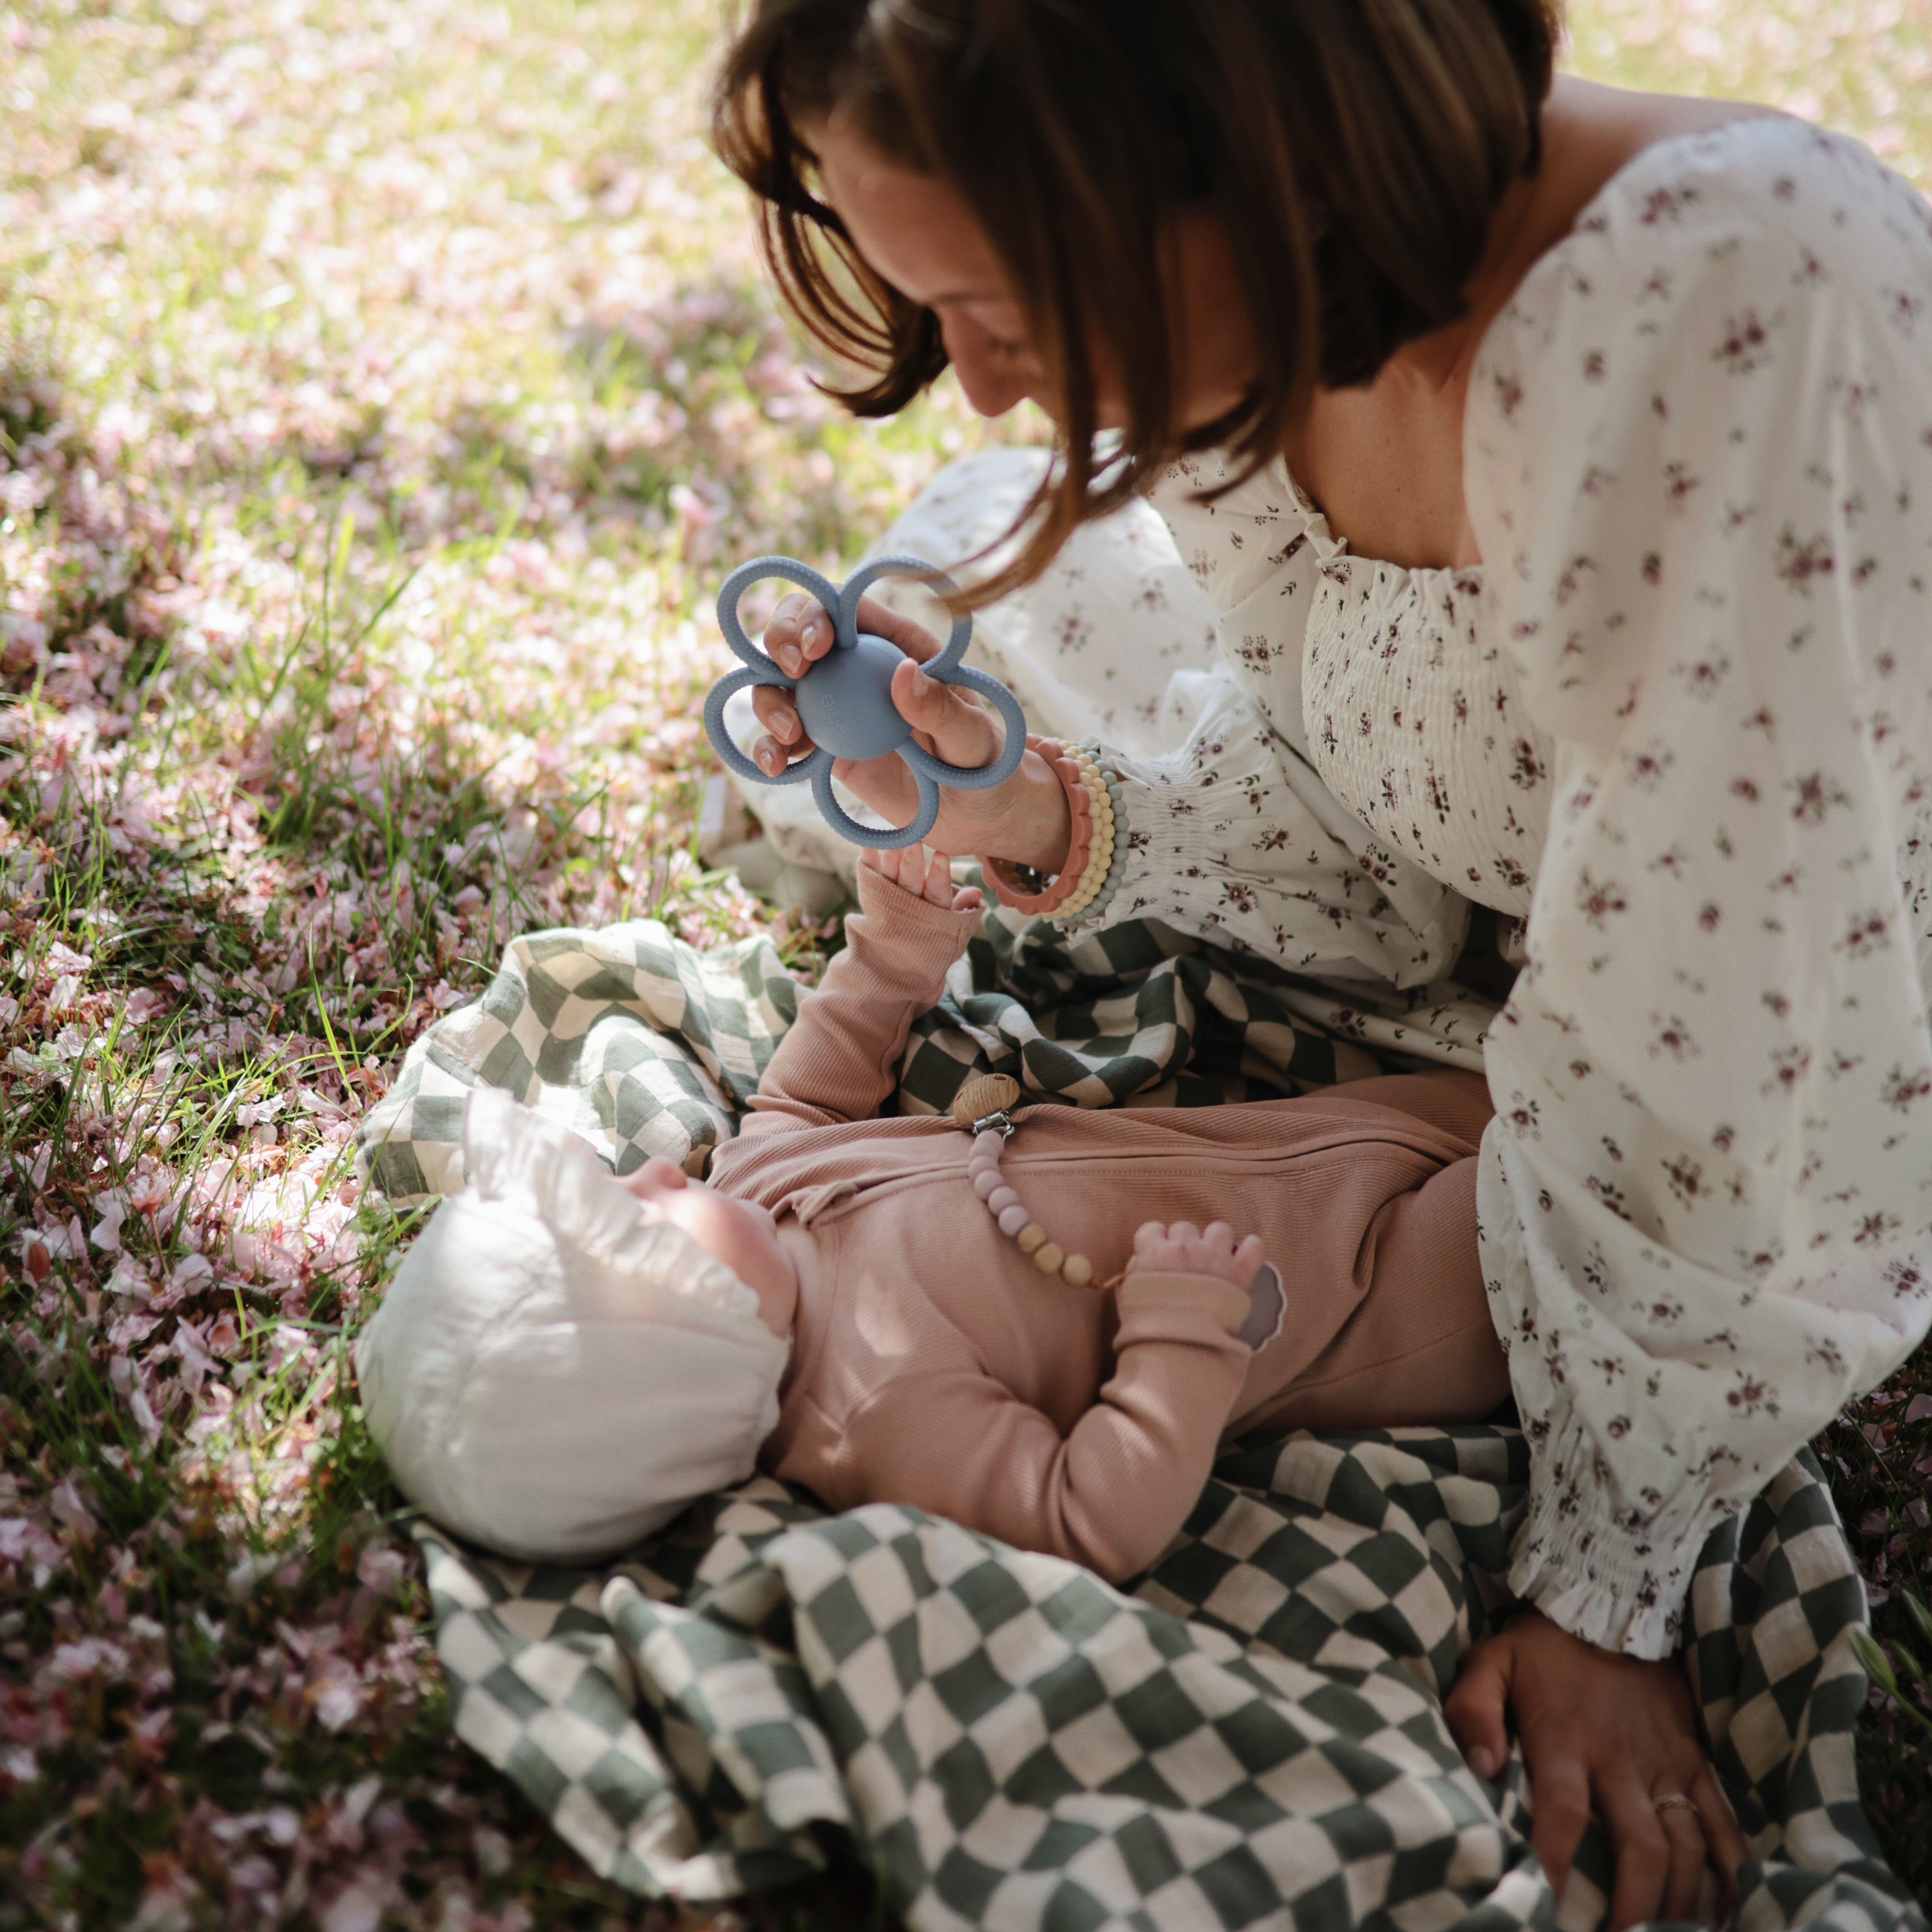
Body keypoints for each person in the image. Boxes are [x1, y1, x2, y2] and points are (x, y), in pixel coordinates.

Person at [709, 1, 1932, 1920]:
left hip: (1827, 940)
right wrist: (1048, 817)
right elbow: (1366, 815)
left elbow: (1756, 1032)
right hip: (1551, 914)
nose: (988, 392)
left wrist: (1610, 1578)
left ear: (1244, 149)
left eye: (1007, 310)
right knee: (955, 604)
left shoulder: (1725, 313)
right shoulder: (1270, 317)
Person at [357, 843, 1511, 1585]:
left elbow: (809, 1088)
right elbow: (1081, 1522)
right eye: (645, 1226)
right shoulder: (879, 1413)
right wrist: (1176, 1341)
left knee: (1545, 1086)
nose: (660, 1176)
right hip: (1380, 1305)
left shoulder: (752, 1199)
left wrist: (894, 949)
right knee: (1573, 1199)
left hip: (1315, 1137)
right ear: (691, 1357)